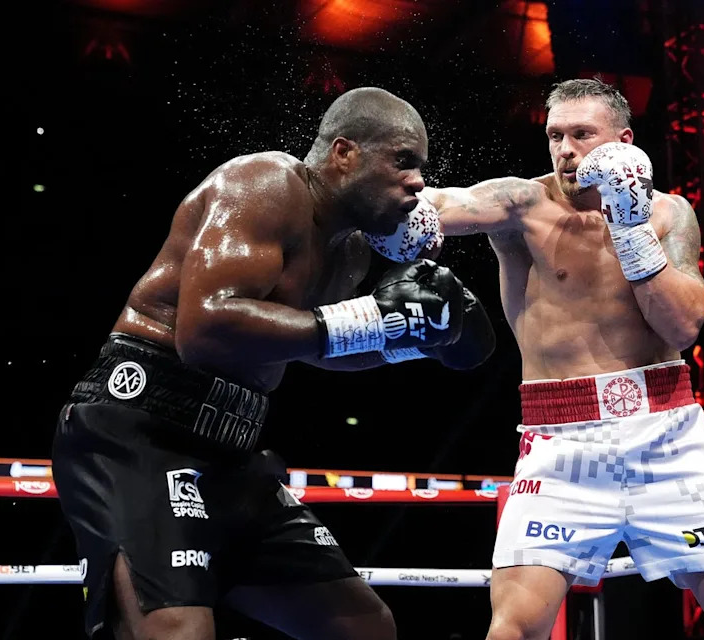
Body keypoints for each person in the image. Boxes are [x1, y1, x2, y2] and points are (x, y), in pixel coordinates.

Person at [51, 86, 495, 640]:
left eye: (422, 168)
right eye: (403, 161)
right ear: (344, 153)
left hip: (233, 449)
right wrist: (367, 321)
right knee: (178, 632)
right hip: (140, 432)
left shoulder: (349, 249)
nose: (418, 182)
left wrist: (406, 339)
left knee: (363, 628)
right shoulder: (266, 184)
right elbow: (205, 328)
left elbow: (313, 346)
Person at [419, 78, 704, 640]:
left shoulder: (669, 215)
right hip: (560, 442)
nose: (566, 149)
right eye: (554, 135)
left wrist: (631, 226)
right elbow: (448, 204)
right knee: (513, 627)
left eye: (582, 134)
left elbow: (683, 327)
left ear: (623, 140)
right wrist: (401, 211)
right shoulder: (523, 204)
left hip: (669, 434)